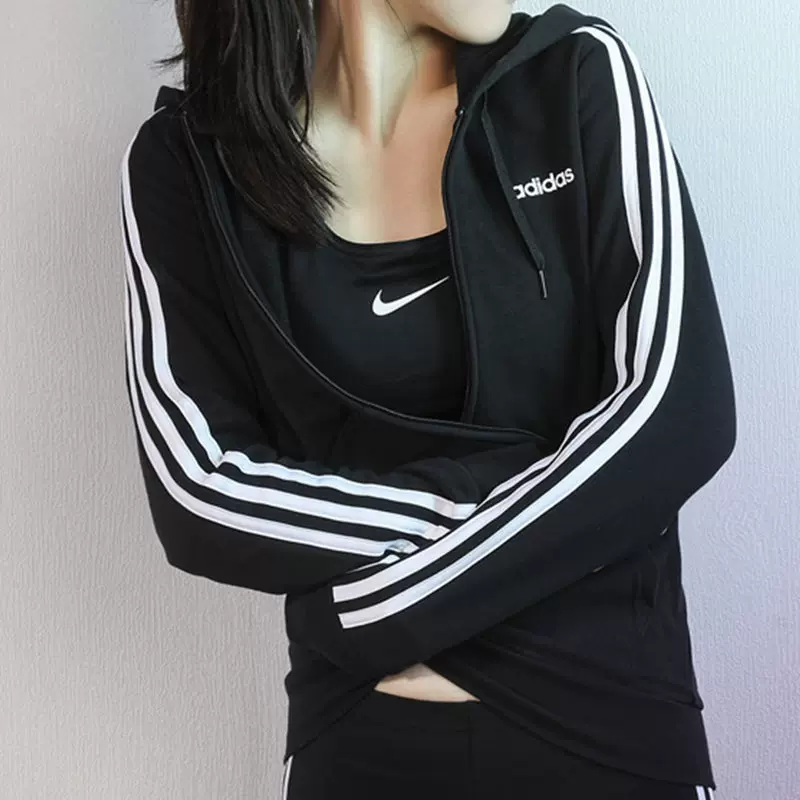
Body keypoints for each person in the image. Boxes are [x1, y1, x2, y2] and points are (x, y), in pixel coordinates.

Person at [119, 0, 737, 797]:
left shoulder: (574, 73)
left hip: (607, 727)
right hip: (357, 741)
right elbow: (200, 494)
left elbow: (679, 417)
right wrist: (544, 487)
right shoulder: (186, 163)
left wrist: (382, 607)